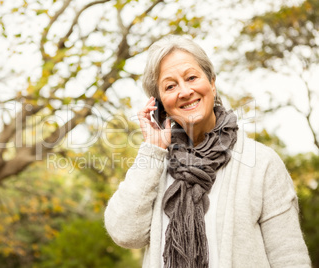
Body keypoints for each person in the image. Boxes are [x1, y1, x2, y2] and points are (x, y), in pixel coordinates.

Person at [104, 35, 311, 268]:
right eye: (170, 86)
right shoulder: (155, 165)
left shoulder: (262, 163)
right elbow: (124, 233)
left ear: (212, 82)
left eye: (191, 77)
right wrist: (152, 150)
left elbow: (289, 259)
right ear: (160, 103)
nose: (184, 91)